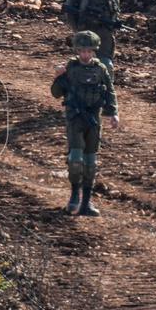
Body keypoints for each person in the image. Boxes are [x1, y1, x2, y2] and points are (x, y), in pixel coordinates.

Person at [51, 31, 120, 217]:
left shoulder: (101, 69)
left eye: (89, 51)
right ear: (77, 51)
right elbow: (56, 93)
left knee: (90, 163)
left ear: (94, 51)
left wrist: (113, 113)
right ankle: (74, 195)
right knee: (75, 160)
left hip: (94, 119)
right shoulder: (70, 69)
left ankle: (86, 203)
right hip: (75, 119)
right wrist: (58, 76)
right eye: (82, 51)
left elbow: (109, 92)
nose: (86, 55)